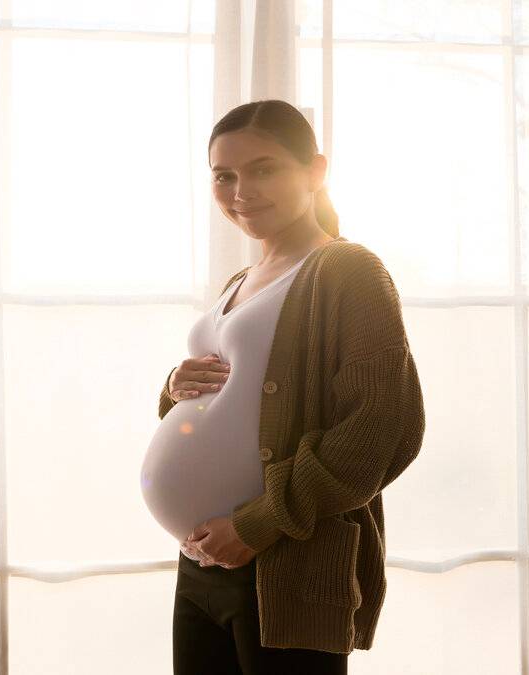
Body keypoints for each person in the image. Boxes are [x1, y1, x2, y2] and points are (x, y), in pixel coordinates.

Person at [160, 99, 425, 674]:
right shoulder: (241, 280)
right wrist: (175, 387)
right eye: (223, 175)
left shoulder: (347, 271)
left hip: (284, 563)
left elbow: (381, 428)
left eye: (264, 169)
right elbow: (229, 402)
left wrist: (254, 528)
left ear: (315, 171)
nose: (241, 190)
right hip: (202, 563)